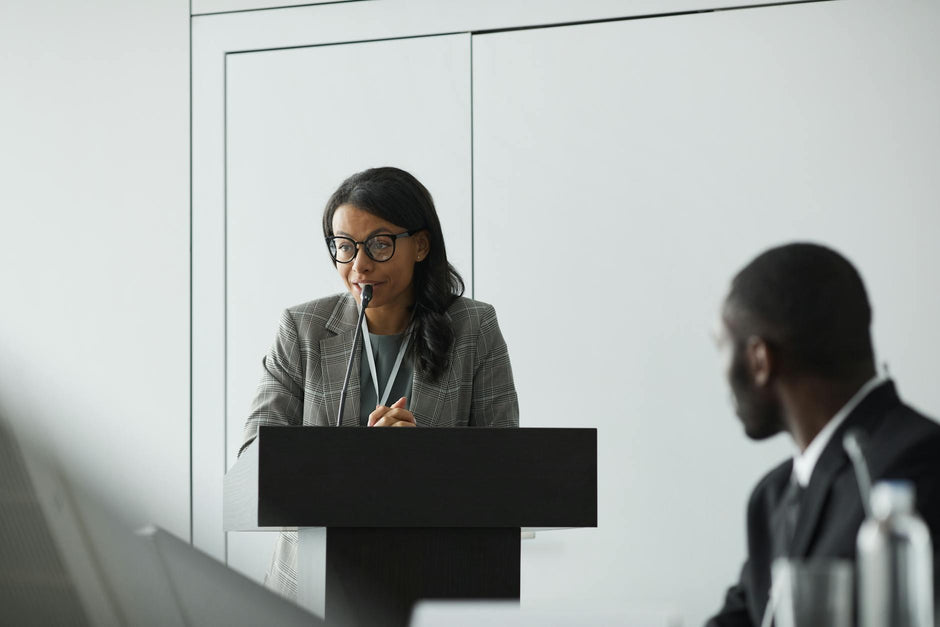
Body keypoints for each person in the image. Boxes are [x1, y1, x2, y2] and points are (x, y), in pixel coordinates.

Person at [239, 166, 519, 599]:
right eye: (344, 247)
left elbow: (507, 468)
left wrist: (420, 460)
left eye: (380, 245)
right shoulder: (303, 328)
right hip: (313, 585)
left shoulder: (474, 328)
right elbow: (254, 461)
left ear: (421, 245)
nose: (360, 266)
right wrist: (357, 460)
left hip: (439, 578)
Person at [707, 242, 940, 626]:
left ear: (759, 360)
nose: (720, 372)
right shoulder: (772, 497)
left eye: (720, 347)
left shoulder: (922, 464)